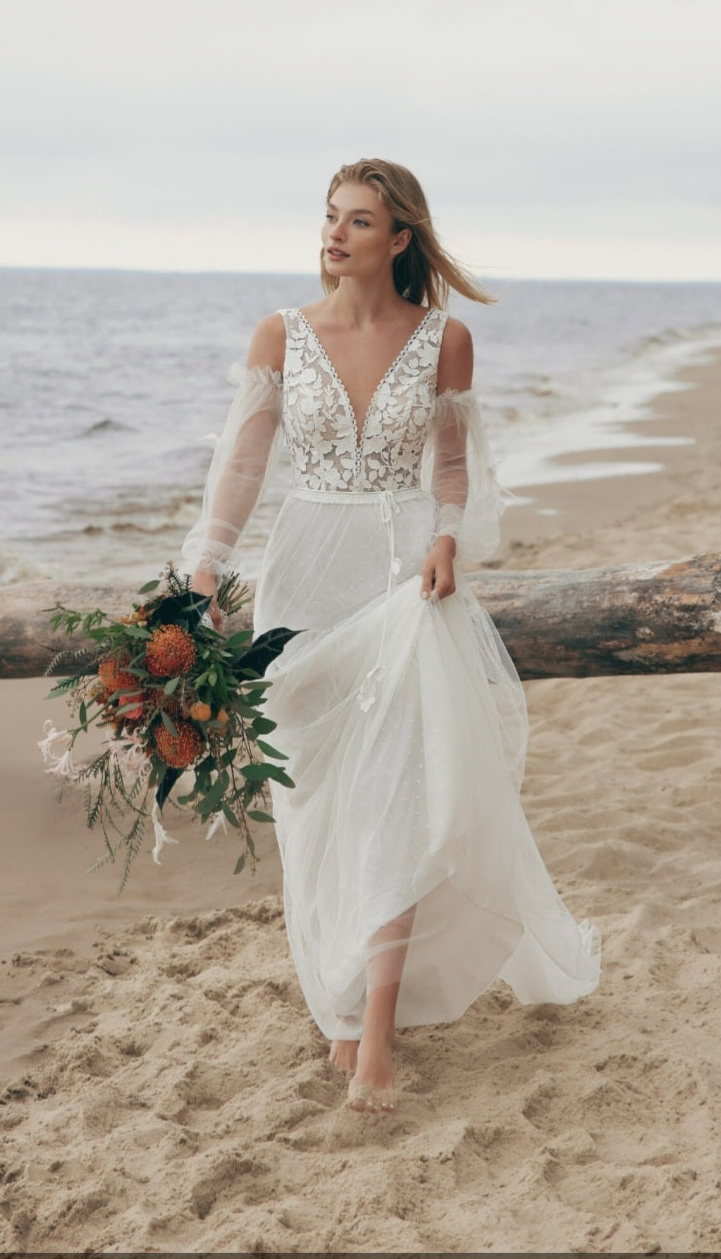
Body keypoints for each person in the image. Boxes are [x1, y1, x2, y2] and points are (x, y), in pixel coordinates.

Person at [180, 158, 600, 1113]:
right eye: (330, 217)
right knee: (314, 794)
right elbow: (242, 463)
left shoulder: (444, 339)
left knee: (398, 792)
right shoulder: (280, 336)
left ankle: (375, 1030)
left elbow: (451, 464)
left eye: (358, 221)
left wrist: (448, 536)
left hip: (405, 573)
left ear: (399, 237)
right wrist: (206, 565)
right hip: (304, 572)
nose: (334, 234)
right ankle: (338, 1006)